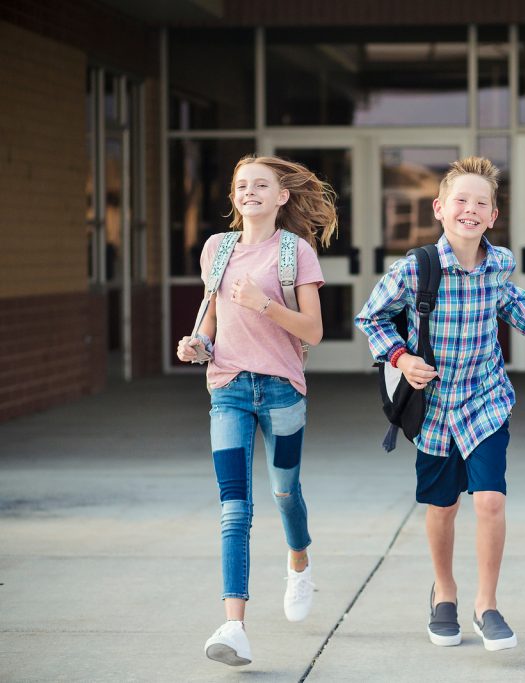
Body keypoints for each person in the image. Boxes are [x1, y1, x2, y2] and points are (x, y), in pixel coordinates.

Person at [355, 156, 525, 652]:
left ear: (493, 216)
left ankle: (487, 605)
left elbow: (508, 299)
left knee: (489, 501)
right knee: (442, 507)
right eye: (460, 201)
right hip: (435, 406)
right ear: (440, 209)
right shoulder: (416, 268)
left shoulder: (500, 262)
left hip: (485, 397)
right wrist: (401, 358)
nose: (471, 209)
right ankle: (444, 592)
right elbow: (371, 318)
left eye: (481, 203)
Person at [176, 155, 337, 666]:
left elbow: (313, 331)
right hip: (228, 386)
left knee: (285, 490)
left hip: (283, 389)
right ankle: (234, 625)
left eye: (260, 185)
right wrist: (197, 343)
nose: (249, 192)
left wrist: (262, 302)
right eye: (241, 185)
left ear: (280, 197)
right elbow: (212, 320)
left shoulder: (297, 253)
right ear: (233, 196)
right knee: (233, 507)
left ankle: (299, 560)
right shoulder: (216, 250)